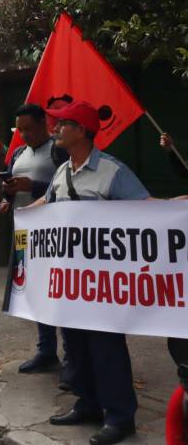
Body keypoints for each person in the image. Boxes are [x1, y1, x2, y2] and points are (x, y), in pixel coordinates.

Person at [30, 100, 153, 445]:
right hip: (70, 281)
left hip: (102, 284)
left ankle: (120, 416)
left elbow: (144, 214)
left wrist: (173, 207)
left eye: (63, 124)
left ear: (82, 130)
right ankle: (88, 403)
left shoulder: (113, 172)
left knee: (106, 346)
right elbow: (50, 205)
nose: (55, 129)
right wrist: (27, 214)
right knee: (77, 345)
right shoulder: (62, 170)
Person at [0, 104, 70, 375]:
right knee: (34, 291)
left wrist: (34, 186)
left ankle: (72, 354)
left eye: (28, 128)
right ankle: (46, 350)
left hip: (54, 234)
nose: (24, 134)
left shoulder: (58, 150)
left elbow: (65, 188)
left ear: (43, 124)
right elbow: (11, 186)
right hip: (24, 233)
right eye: (20, 129)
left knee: (59, 291)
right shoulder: (17, 153)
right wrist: (7, 197)